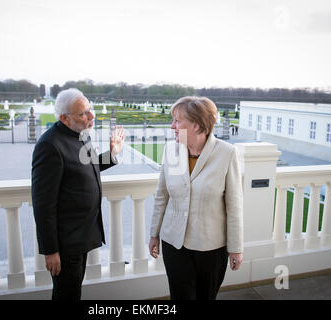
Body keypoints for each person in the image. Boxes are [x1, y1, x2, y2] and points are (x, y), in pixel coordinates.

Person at [31, 88, 125, 300]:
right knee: (67, 295)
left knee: (73, 292)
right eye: (83, 113)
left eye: (89, 109)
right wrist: (50, 250)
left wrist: (112, 154)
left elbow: (87, 167)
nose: (91, 116)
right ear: (64, 118)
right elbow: (43, 204)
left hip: (81, 234)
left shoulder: (81, 134)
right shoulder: (49, 145)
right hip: (65, 242)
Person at [148, 96, 243, 300]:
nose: (172, 126)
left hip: (211, 248)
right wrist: (154, 234)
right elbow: (161, 196)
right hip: (174, 244)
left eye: (177, 121)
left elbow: (234, 206)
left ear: (197, 124)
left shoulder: (227, 153)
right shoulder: (170, 151)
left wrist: (236, 248)